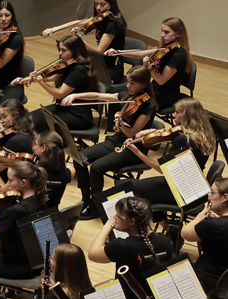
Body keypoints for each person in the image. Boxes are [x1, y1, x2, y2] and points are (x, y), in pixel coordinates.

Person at [62, 65, 156, 219]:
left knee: (97, 168)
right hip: (117, 140)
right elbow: (98, 96)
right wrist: (76, 95)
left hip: (133, 148)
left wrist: (120, 123)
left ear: (143, 85)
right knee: (79, 157)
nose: (128, 86)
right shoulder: (128, 97)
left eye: (132, 83)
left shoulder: (148, 106)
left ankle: (95, 206)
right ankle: (85, 200)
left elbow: (132, 134)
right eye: (128, 82)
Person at [88, 196, 174, 299]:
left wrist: (108, 226)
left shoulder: (122, 246)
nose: (115, 217)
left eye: (119, 215)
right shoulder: (165, 241)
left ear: (132, 221)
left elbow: (92, 254)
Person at [128, 98, 216, 206]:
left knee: (126, 187)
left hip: (177, 191)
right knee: (142, 192)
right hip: (194, 188)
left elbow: (162, 169)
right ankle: (164, 222)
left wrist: (137, 152)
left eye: (177, 112)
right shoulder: (204, 136)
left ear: (188, 115)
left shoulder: (183, 140)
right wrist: (151, 131)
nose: (173, 115)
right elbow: (170, 132)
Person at [0, 161, 49, 279]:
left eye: (10, 180)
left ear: (24, 182)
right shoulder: (39, 199)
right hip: (31, 260)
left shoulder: (17, 210)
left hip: (18, 266)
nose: (7, 184)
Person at [43, 0, 127, 84]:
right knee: (71, 67)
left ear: (111, 4)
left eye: (102, 5)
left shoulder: (113, 24)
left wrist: (81, 41)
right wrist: (53, 29)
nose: (98, 8)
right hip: (99, 64)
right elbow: (79, 22)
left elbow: (99, 51)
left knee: (77, 73)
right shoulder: (102, 18)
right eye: (96, 4)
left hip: (111, 69)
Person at [16, 34, 98, 133]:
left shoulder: (79, 69)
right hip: (63, 108)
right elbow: (55, 76)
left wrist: (41, 82)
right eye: (60, 49)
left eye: (64, 50)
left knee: (35, 123)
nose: (60, 53)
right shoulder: (69, 63)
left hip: (77, 115)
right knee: (28, 118)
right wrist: (32, 79)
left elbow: (60, 93)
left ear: (74, 51)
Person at [105, 17, 191, 111]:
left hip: (165, 95)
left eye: (166, 32)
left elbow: (161, 80)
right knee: (119, 98)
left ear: (178, 34)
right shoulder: (165, 47)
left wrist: (150, 69)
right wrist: (118, 52)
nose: (162, 35)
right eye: (162, 31)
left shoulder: (178, 55)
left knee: (129, 103)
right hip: (153, 88)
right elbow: (141, 53)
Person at [181, 179, 228, 292]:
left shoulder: (213, 225)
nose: (209, 197)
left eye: (212, 193)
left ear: (225, 197)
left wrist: (199, 218)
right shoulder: (217, 224)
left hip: (207, 279)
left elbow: (185, 233)